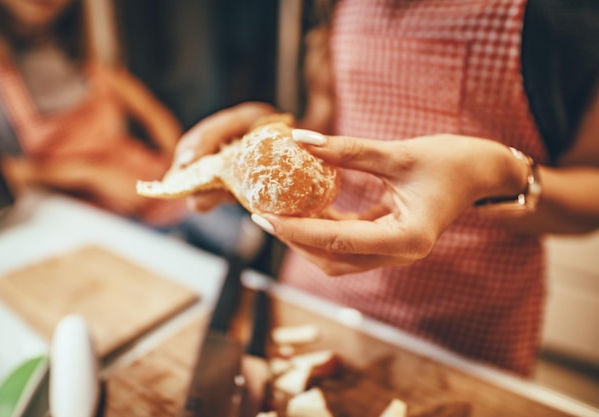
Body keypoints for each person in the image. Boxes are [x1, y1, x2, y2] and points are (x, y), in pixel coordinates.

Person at [172, 0, 599, 377]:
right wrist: (266, 135)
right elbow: (326, 124)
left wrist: (498, 173)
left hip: (464, 331)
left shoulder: (564, 16)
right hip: (318, 296)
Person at [0, 0, 187, 228]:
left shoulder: (89, 64)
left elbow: (154, 114)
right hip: (88, 215)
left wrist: (182, 165)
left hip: (159, 187)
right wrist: (90, 176)